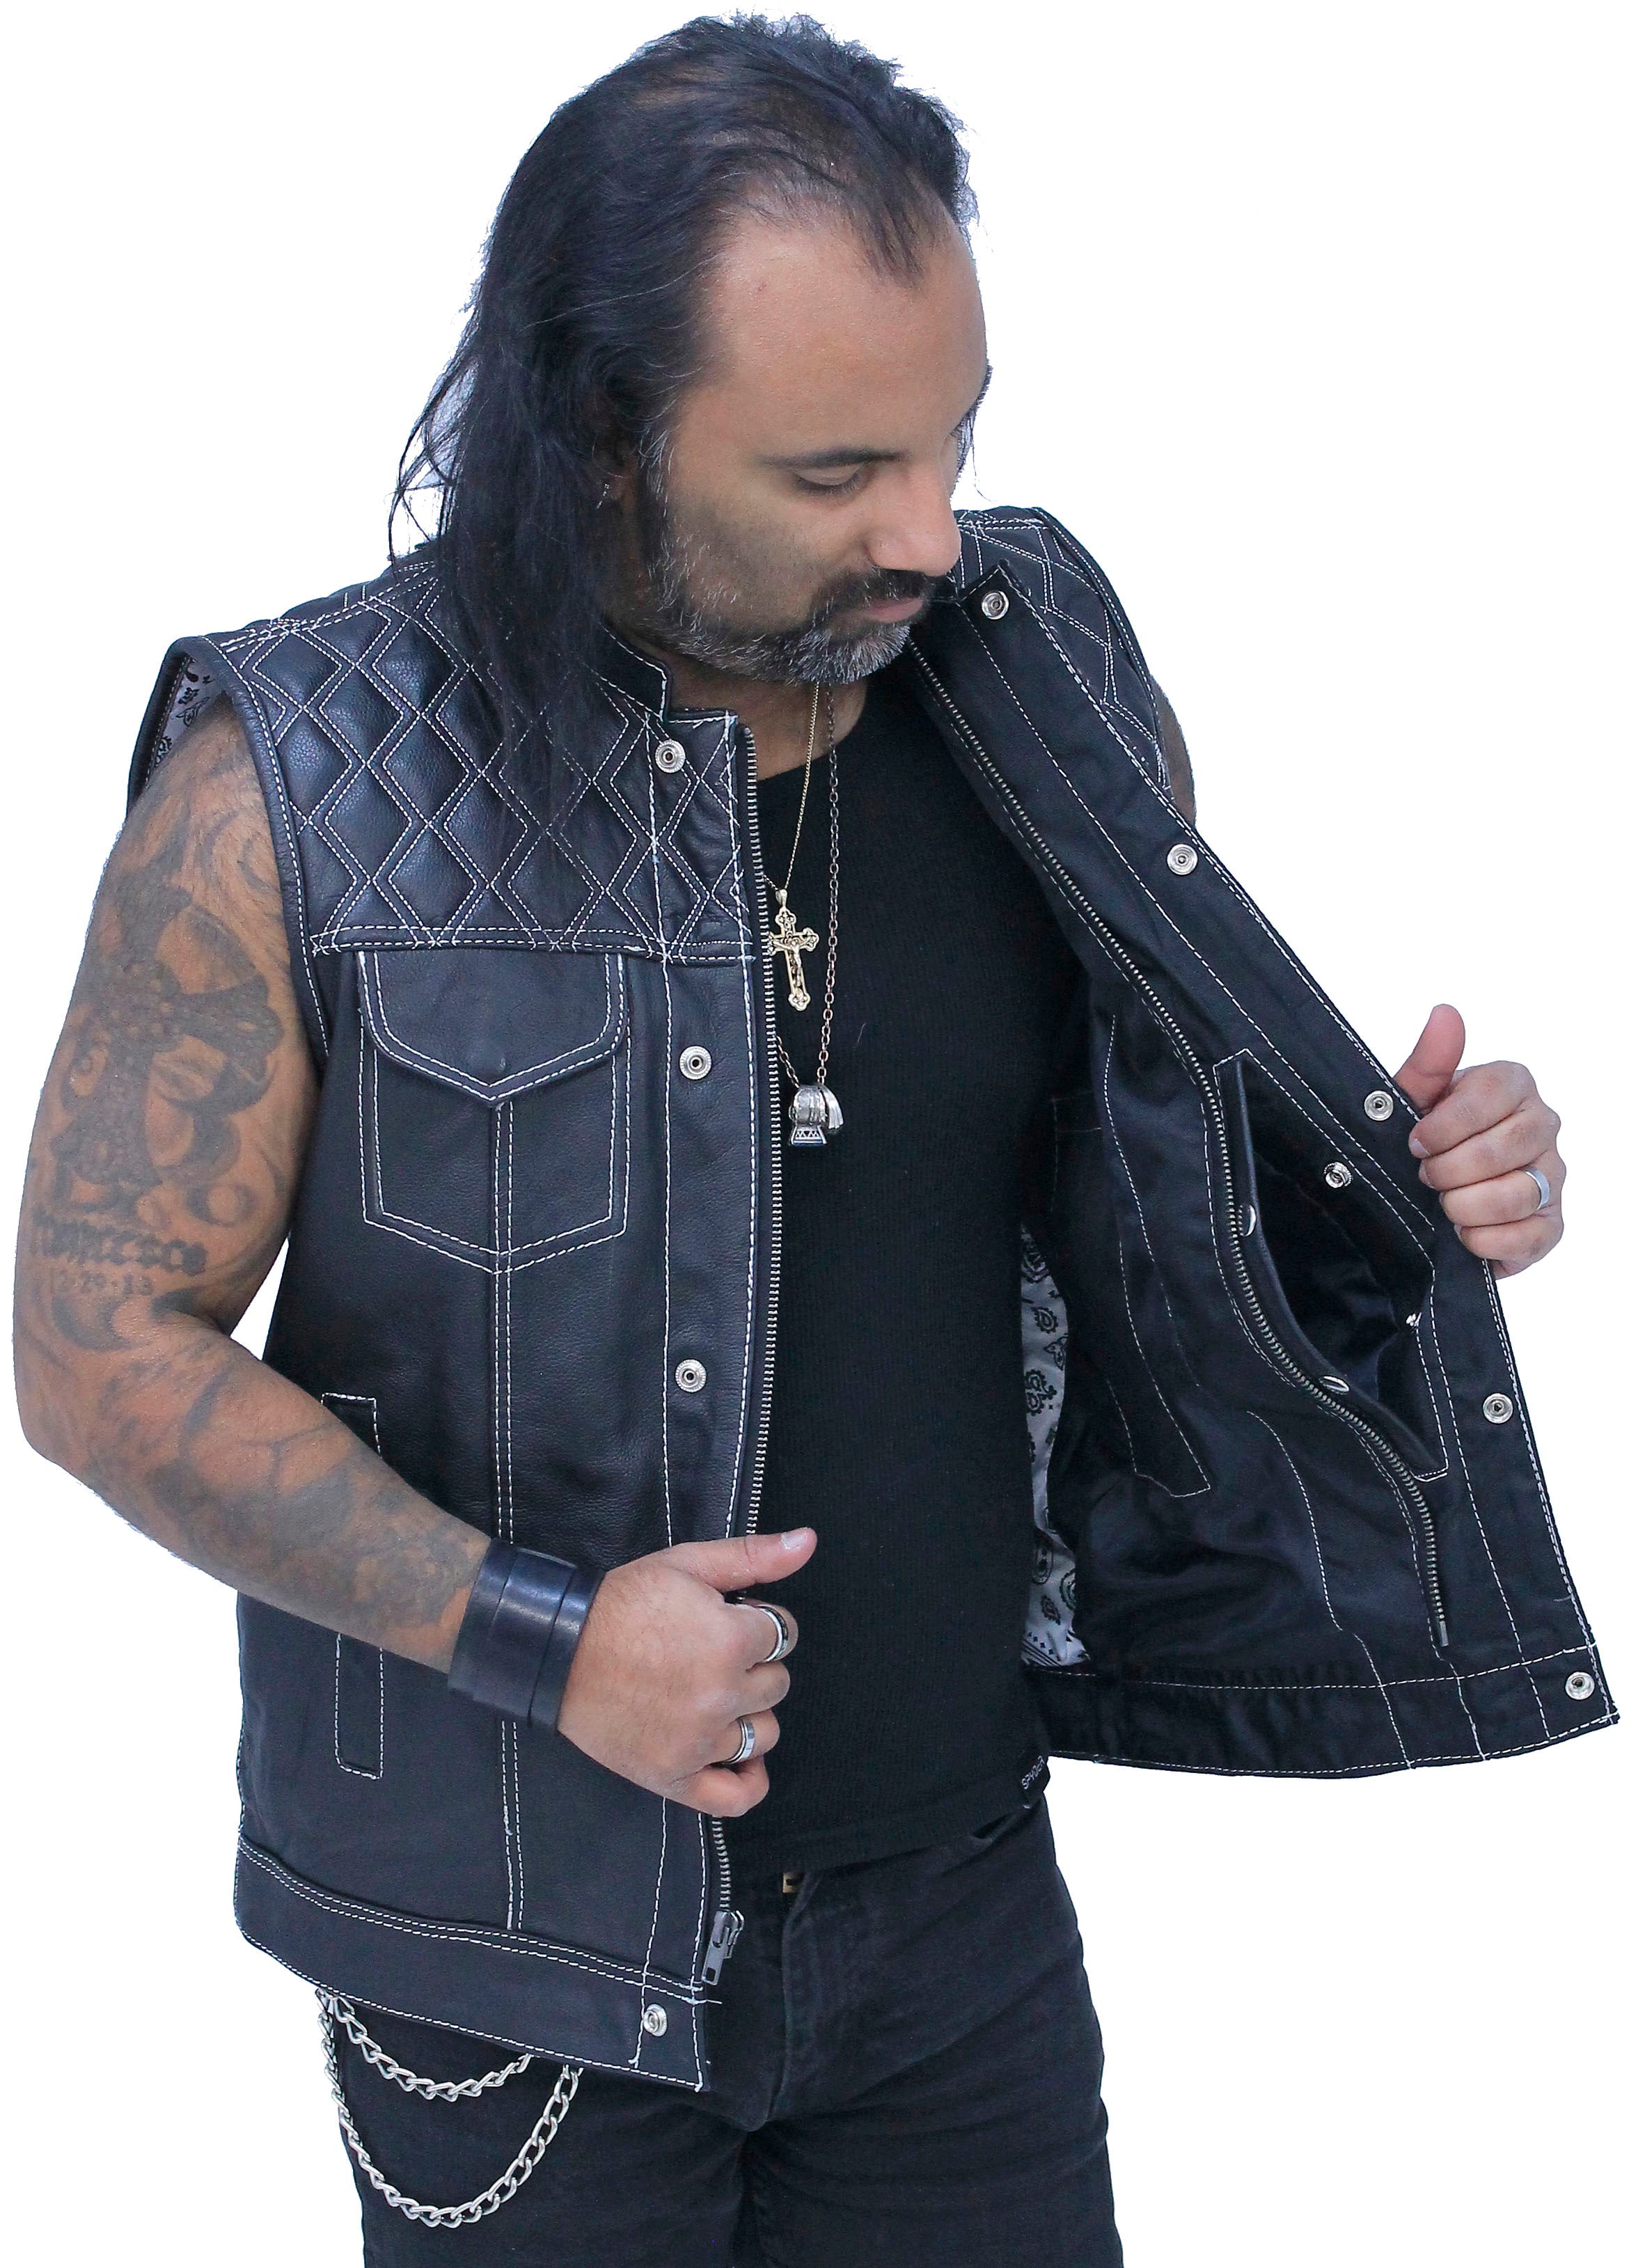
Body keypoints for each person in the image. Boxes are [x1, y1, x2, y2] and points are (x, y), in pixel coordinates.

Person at [13, 15, 1609, 2265]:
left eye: (955, 440)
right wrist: (541, 1635)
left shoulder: (1038, 665)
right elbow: (91, 1343)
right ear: (598, 435)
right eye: (837, 469)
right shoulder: (294, 783)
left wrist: (1407, 1185)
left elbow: (1138, 1166)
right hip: (514, 1959)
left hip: (961, 1910)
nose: (925, 532)